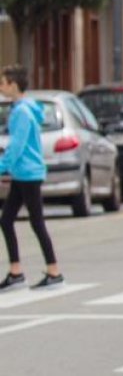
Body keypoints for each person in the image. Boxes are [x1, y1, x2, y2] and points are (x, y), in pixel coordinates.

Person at [0, 64, 63, 290]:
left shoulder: (22, 113)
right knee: (6, 220)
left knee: (36, 223)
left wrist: (1, 166)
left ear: (13, 85)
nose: (1, 87)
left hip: (28, 173)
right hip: (23, 173)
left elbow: (16, 146)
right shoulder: (24, 109)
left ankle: (54, 271)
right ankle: (16, 272)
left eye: (3, 83)